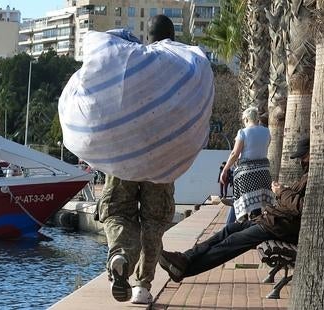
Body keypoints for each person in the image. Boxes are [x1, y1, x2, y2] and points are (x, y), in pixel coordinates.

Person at [98, 15, 178, 304]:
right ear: (173, 38)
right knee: (154, 221)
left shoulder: (131, 63)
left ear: (149, 37)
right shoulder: (180, 67)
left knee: (119, 211)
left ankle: (120, 254)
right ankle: (143, 286)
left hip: (125, 153)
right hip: (161, 157)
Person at [159, 138, 310, 282]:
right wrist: (283, 192)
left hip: (280, 227)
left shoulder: (313, 177)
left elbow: (302, 207)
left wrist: (282, 191)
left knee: (230, 243)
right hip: (272, 220)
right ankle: (185, 258)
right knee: (229, 230)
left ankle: (184, 270)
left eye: (303, 157)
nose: (300, 161)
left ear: (310, 155)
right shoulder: (307, 175)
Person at [220, 106, 274, 223]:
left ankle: (237, 206)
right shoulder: (266, 132)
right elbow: (265, 146)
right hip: (264, 173)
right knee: (257, 205)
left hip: (247, 174)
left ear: (246, 119)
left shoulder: (243, 132)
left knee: (242, 202)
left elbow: (235, 153)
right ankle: (242, 208)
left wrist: (225, 169)